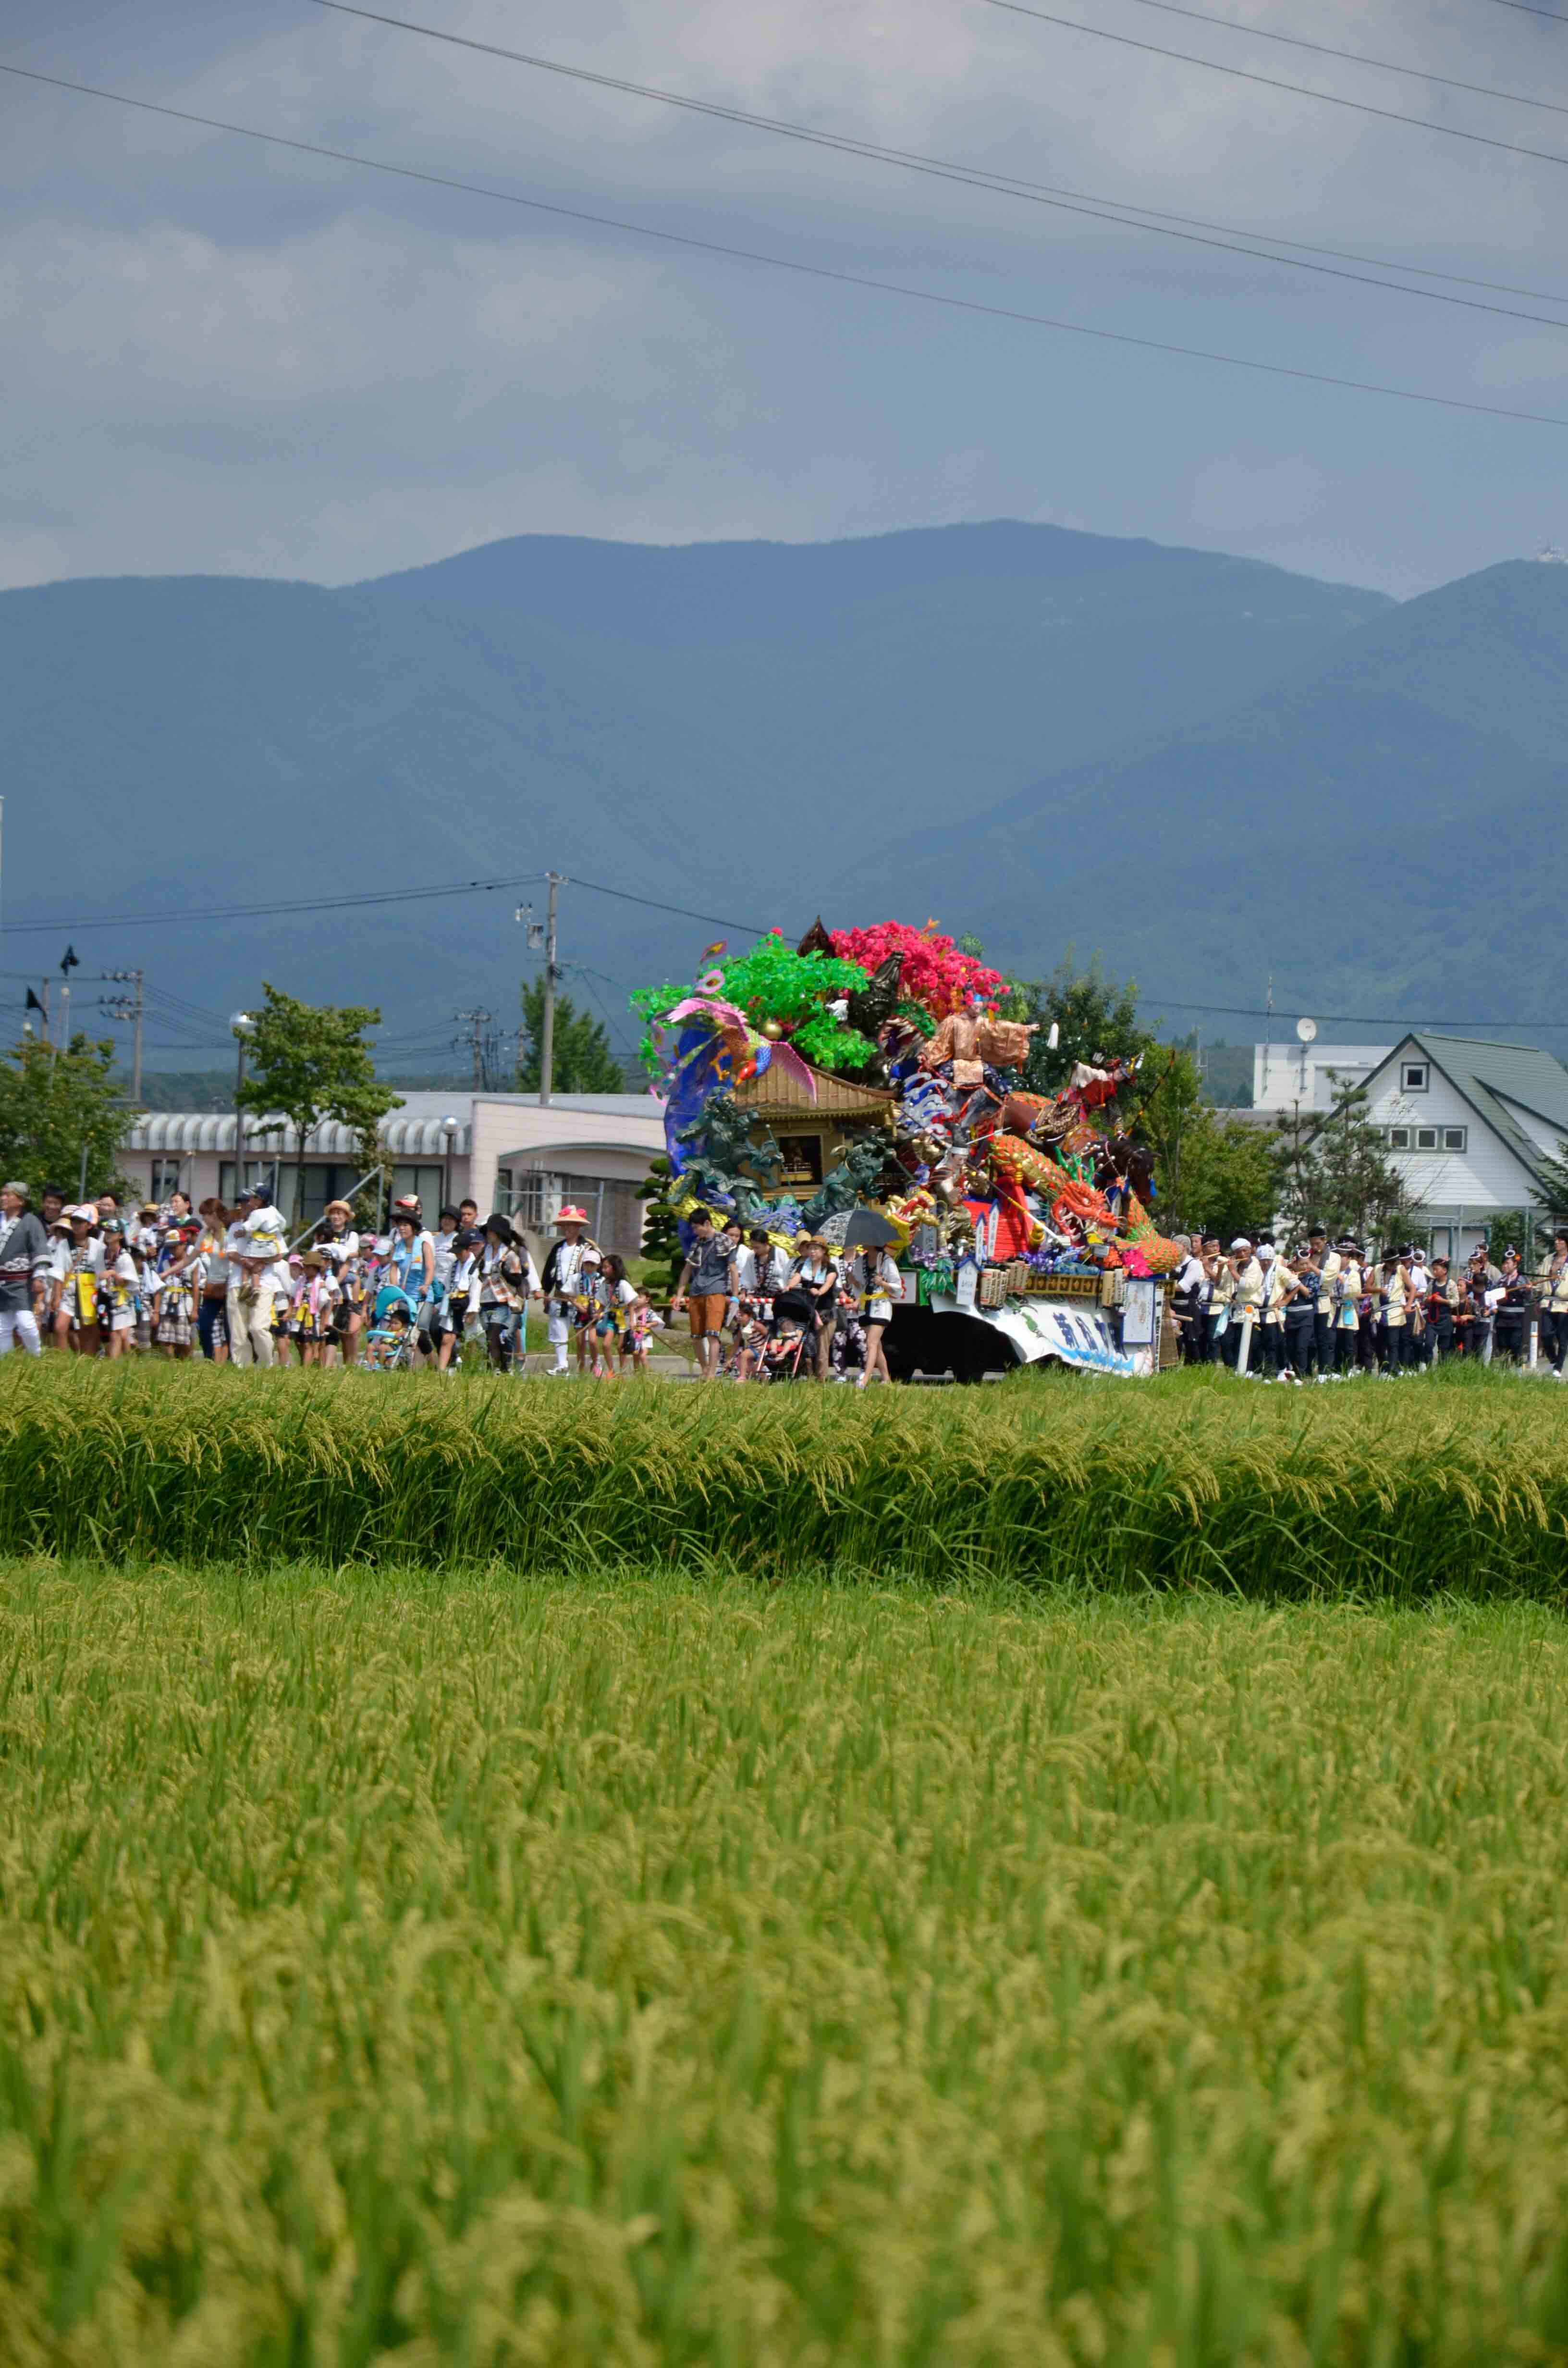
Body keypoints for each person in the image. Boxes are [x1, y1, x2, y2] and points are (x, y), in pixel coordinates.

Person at [672, 1210, 735, 1381]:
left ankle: (712, 1373)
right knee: (696, 1337)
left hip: (716, 1291)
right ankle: (705, 1369)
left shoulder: (724, 1241)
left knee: (713, 1334)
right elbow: (687, 1270)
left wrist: (735, 1296)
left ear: (707, 1224)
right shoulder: (697, 1244)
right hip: (696, 1292)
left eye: (696, 1227)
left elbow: (734, 1271)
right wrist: (680, 1294)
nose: (694, 1231)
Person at [540, 1204, 599, 1378]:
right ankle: (562, 1364)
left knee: (584, 1334)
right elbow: (550, 1270)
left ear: (579, 1227)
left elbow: (597, 1271)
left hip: (582, 1297)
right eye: (565, 1225)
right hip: (560, 1295)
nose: (567, 1229)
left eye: (571, 1225)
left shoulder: (588, 1248)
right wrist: (546, 1291)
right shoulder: (558, 1248)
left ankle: (590, 1365)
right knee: (559, 1330)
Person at [0, 1181, 50, 1358]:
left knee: (26, 1324)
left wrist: (39, 1277)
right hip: (1, 1282)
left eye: (8, 1194)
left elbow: (40, 1250)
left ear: (21, 1200)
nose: (3, 1198)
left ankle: (36, 1357)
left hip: (22, 1282)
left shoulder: (31, 1222)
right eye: (2, 1194)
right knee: (2, 1327)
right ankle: (5, 1362)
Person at [478, 1214, 530, 1371]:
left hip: (503, 1301)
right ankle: (501, 1367)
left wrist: (503, 1272)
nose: (488, 1234)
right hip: (485, 1299)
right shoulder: (484, 1254)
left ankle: (497, 1369)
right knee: (489, 1337)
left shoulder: (510, 1255)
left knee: (495, 1332)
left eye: (491, 1231)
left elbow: (517, 1280)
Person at [847, 1241, 902, 1387]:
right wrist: (853, 1281)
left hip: (881, 1305)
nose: (862, 1242)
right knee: (876, 1346)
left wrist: (883, 1283)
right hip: (866, 1306)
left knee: (871, 1343)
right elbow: (861, 1287)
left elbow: (898, 1288)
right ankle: (886, 1379)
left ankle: (865, 1378)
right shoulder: (860, 1261)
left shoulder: (886, 1261)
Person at [786, 1235, 841, 1381]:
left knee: (822, 1347)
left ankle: (821, 1379)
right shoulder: (804, 1265)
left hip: (825, 1312)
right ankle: (808, 1375)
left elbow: (829, 1283)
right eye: (810, 1248)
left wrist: (820, 1292)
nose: (813, 1252)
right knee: (806, 1343)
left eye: (816, 1249)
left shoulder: (830, 1267)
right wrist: (789, 1286)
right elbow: (797, 1277)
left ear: (824, 1251)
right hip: (808, 1310)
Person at [193, 1199, 231, 1362]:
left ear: (214, 1215)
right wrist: (168, 1272)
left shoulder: (230, 1233)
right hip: (212, 1285)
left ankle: (233, 1362)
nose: (204, 1220)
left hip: (230, 1284)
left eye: (205, 1216)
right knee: (204, 1324)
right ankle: (209, 1358)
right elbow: (191, 1257)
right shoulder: (205, 1233)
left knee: (230, 1329)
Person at [97, 1218, 139, 1359]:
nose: (108, 1234)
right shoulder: (102, 1253)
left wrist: (113, 1274)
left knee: (116, 1333)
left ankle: (113, 1365)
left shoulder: (125, 1257)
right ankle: (124, 1360)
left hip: (122, 1300)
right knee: (114, 1333)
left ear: (120, 1235)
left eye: (112, 1232)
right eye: (107, 1231)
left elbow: (126, 1283)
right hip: (105, 1297)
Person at [1538, 1231, 1568, 1377]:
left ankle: (1559, 1368)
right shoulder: (1548, 1259)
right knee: (1546, 1335)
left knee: (1563, 1338)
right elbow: (1541, 1279)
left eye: (1560, 1240)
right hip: (1548, 1302)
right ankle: (1553, 1360)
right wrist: (1534, 1289)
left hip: (1564, 1304)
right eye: (1556, 1240)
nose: (1557, 1242)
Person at [1494, 1247, 1531, 1364]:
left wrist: (1528, 1291)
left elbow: (1529, 1299)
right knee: (1502, 1346)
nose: (1505, 1266)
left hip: (1516, 1319)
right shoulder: (1501, 1281)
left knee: (1515, 1345)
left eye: (1507, 1263)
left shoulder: (1523, 1280)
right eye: (1503, 1263)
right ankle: (1504, 1372)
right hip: (1501, 1318)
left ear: (1515, 1264)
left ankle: (1518, 1370)